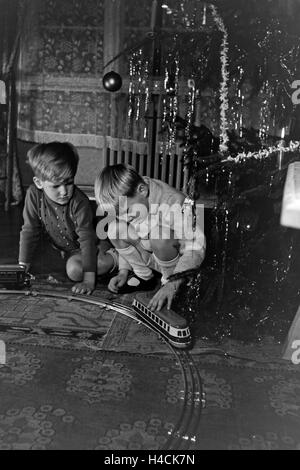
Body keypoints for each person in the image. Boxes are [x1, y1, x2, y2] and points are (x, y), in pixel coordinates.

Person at [94, 164, 206, 311]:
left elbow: (195, 249)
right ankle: (144, 277)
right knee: (115, 228)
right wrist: (123, 271)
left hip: (180, 269)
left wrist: (172, 284)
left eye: (127, 211)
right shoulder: (134, 195)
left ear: (143, 190)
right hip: (153, 255)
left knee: (159, 235)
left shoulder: (175, 203)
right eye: (119, 214)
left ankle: (172, 287)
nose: (125, 218)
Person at [18, 142, 116, 295]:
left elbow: (87, 240)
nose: (64, 191)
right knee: (36, 266)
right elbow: (29, 231)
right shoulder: (33, 195)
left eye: (69, 183)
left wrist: (89, 281)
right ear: (38, 183)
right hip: (63, 249)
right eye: (56, 186)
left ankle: (119, 259)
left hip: (94, 244)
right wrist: (22, 268)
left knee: (74, 270)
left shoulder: (79, 202)